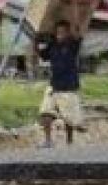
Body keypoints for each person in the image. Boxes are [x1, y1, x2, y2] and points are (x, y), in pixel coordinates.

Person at [36, 20, 84, 148]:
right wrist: (35, 40)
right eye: (57, 32)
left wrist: (75, 10)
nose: (59, 34)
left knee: (68, 117)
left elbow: (78, 32)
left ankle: (69, 141)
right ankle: (48, 141)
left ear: (68, 33)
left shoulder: (73, 45)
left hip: (68, 87)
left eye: (62, 32)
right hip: (54, 86)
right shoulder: (52, 45)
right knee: (45, 112)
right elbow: (42, 54)